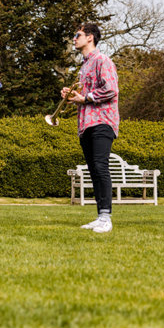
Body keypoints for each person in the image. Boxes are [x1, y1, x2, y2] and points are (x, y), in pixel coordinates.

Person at [61, 23, 120, 234]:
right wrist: (72, 96)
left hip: (102, 121)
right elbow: (84, 96)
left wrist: (85, 97)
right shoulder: (84, 66)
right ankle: (100, 216)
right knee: (94, 170)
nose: (74, 38)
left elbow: (111, 89)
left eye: (77, 35)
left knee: (100, 166)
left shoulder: (102, 60)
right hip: (86, 123)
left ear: (90, 37)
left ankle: (106, 218)